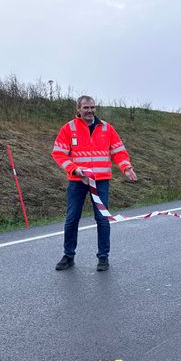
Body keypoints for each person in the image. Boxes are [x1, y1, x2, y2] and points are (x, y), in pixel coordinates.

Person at [52, 95, 137, 271]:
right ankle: (68, 256)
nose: (89, 111)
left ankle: (103, 257)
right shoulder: (69, 128)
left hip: (101, 181)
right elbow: (59, 153)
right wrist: (75, 169)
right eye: (86, 108)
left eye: (92, 107)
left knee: (102, 219)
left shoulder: (107, 128)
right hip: (78, 180)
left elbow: (118, 152)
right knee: (72, 219)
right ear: (78, 109)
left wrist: (126, 167)